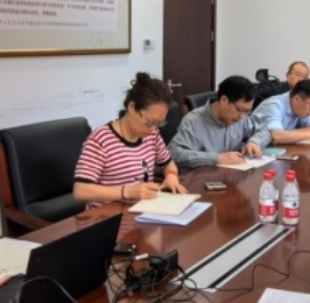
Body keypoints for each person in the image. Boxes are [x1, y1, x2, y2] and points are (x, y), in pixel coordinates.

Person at [74, 73, 187, 206]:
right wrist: (127, 192)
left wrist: (171, 176)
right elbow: (81, 190)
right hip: (108, 214)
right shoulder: (100, 140)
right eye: (150, 122)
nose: (153, 129)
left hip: (143, 210)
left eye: (159, 123)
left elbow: (167, 163)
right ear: (132, 107)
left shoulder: (152, 135)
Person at [169, 75, 269, 169]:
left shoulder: (241, 118)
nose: (242, 116)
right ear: (224, 100)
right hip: (203, 177)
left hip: (232, 175)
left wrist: (254, 142)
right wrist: (217, 158)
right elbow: (174, 153)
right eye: (240, 110)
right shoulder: (194, 121)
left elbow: (265, 131)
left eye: (247, 111)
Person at [251, 78, 310, 145]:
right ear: (297, 99)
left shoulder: (299, 108)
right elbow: (276, 136)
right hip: (252, 149)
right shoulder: (274, 105)